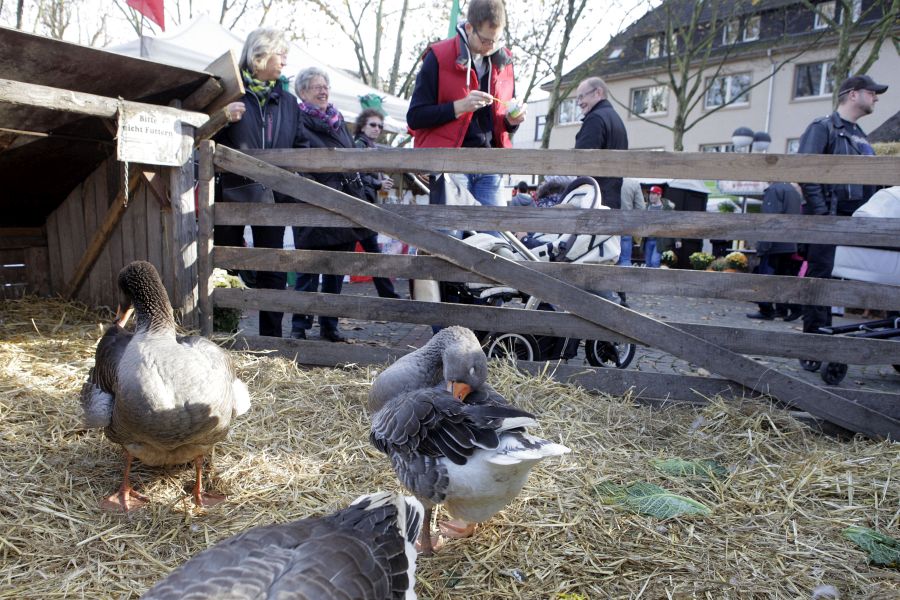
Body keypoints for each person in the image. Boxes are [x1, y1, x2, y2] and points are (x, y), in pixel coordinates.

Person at [214, 28, 309, 338]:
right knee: (226, 265)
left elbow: (301, 145)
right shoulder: (230, 92)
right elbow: (202, 137)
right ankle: (222, 333)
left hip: (274, 196)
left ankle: (271, 340)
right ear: (260, 54)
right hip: (232, 192)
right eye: (280, 54)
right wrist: (222, 117)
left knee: (273, 267)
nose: (284, 61)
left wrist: (298, 182)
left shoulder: (289, 102)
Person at [406, 0, 526, 210]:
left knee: (495, 230)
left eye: (497, 40)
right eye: (486, 40)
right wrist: (459, 107)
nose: (491, 47)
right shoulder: (438, 57)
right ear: (469, 28)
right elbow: (415, 117)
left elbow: (501, 122)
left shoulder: (504, 61)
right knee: (452, 230)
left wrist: (511, 121)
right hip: (450, 163)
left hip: (490, 163)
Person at [797, 74, 887, 336]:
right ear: (853, 94)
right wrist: (823, 213)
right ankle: (816, 336)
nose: (876, 98)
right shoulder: (823, 127)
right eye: (872, 93)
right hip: (831, 217)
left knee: (836, 277)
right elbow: (806, 171)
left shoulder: (860, 136)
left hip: (855, 218)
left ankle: (828, 335)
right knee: (821, 276)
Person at [290, 67, 367, 342]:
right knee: (308, 270)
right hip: (314, 202)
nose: (323, 91)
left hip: (344, 203)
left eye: (325, 86)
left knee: (336, 271)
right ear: (302, 92)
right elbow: (298, 159)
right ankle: (299, 326)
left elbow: (351, 156)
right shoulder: (297, 120)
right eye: (316, 87)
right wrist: (317, 192)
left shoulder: (338, 120)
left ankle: (329, 326)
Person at [353, 108, 401, 300]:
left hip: (364, 206)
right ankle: (389, 295)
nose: (377, 129)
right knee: (372, 253)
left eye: (380, 126)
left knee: (370, 253)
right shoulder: (360, 145)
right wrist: (378, 183)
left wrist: (380, 181)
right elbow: (356, 175)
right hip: (360, 207)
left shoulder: (369, 146)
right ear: (362, 126)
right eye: (372, 125)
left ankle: (388, 295)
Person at [746, 183, 804, 321]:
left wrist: (763, 245)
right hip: (789, 242)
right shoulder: (793, 191)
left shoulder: (774, 190)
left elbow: (770, 218)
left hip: (774, 244)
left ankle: (767, 309)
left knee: (766, 277)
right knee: (783, 277)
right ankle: (787, 308)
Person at [573, 76, 628, 209]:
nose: (579, 103)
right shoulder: (616, 119)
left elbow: (582, 161)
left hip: (594, 199)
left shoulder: (595, 119)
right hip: (612, 198)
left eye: (581, 97)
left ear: (598, 92)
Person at [616, 178, 646, 306]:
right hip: (626, 225)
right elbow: (641, 208)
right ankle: (622, 292)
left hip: (606, 225)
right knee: (624, 260)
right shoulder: (633, 183)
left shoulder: (607, 179)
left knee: (608, 258)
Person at [641, 185, 680, 267]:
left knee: (655, 261)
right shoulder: (647, 207)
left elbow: (674, 224)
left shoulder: (667, 208)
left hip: (660, 241)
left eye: (653, 194)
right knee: (648, 263)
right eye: (650, 193)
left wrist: (677, 240)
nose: (651, 196)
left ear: (659, 195)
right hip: (648, 240)